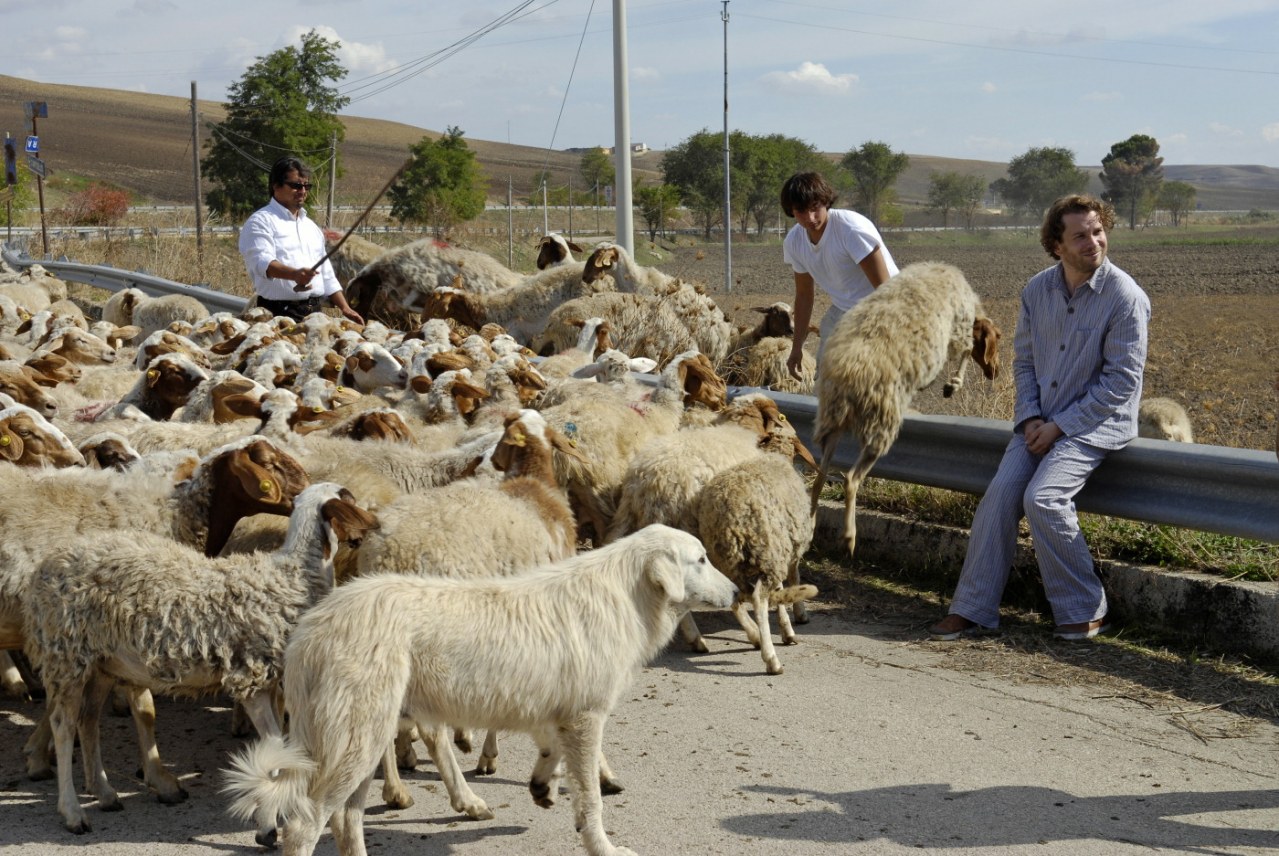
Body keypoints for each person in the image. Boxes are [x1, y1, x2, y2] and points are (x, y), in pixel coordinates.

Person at [930, 194, 1150, 642]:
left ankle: (1086, 608)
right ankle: (973, 609)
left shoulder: (1125, 297)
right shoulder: (1036, 290)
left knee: (1044, 499)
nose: (1094, 242)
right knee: (1000, 498)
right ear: (1056, 246)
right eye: (1080, 236)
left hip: (1094, 425)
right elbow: (1024, 362)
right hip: (1039, 423)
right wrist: (1030, 416)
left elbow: (1121, 382)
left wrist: (1060, 425)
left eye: (1098, 231)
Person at [779, 171, 899, 381]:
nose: (810, 218)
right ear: (791, 211)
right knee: (825, 384)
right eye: (800, 211)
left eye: (815, 208)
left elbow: (886, 290)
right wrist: (796, 348)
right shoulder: (794, 242)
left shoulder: (850, 229)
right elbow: (804, 295)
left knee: (863, 384)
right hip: (843, 310)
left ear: (825, 202)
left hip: (883, 307)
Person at [238, 156, 364, 325]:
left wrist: (345, 308)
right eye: (296, 186)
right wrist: (294, 275)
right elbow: (263, 264)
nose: (303, 191)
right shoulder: (260, 221)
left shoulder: (311, 227)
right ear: (276, 186)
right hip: (277, 315)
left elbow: (326, 275)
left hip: (316, 315)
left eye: (307, 186)